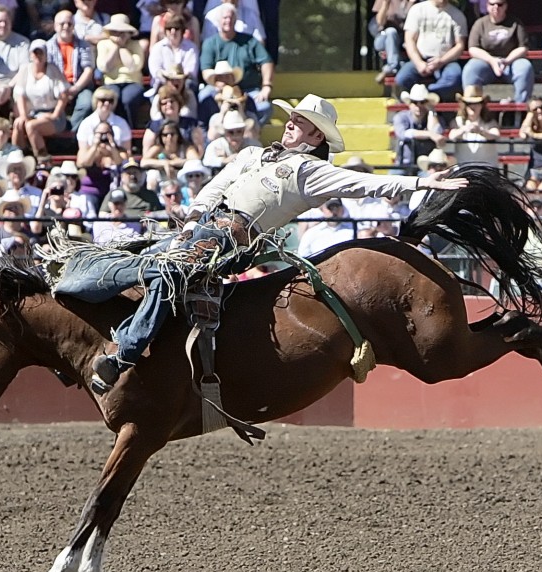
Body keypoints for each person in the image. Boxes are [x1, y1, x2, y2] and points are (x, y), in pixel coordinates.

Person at [75, 94, 467, 392]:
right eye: (293, 117)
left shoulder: (310, 171)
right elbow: (215, 189)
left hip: (230, 240)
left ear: (316, 136)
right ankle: (72, 292)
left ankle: (124, 354)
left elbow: (365, 183)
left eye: (301, 121)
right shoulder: (251, 154)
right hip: (198, 229)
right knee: (125, 262)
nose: (291, 123)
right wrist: (192, 220)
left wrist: (420, 181)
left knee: (169, 272)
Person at [198, 4, 275, 125]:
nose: (228, 21)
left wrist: (266, 86)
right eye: (225, 18)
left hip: (248, 90)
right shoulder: (210, 43)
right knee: (203, 97)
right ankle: (214, 135)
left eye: (231, 17)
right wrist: (216, 82)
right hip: (218, 89)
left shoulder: (250, 41)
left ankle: (248, 134)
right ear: (218, 20)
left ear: (236, 19)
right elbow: (205, 70)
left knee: (264, 107)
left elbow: (266, 62)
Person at [461, 0, 533, 105]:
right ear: (487, 6)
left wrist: (507, 61)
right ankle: (472, 107)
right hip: (486, 63)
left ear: (506, 6)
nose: (496, 7)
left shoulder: (515, 23)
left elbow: (523, 47)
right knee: (471, 68)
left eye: (500, 4)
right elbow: (473, 48)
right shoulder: (480, 23)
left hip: (510, 62)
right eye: (492, 4)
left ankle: (521, 109)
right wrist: (491, 60)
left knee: (525, 67)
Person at [394, 0, 467, 103]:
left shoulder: (457, 15)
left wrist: (441, 61)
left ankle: (426, 95)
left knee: (454, 76)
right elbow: (409, 40)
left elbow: (459, 45)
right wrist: (418, 62)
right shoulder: (417, 10)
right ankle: (426, 98)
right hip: (420, 58)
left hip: (445, 61)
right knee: (402, 79)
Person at [12, 39, 69, 161]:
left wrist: (54, 115)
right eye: (35, 53)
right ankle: (19, 156)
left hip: (53, 114)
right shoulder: (25, 71)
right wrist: (23, 115)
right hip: (33, 113)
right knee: (18, 124)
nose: (38, 56)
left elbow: (64, 96)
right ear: (31, 55)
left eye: (41, 53)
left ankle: (42, 158)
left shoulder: (53, 70)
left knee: (32, 126)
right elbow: (20, 95)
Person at [45, 10, 95, 132]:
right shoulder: (48, 46)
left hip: (80, 85)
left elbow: (88, 69)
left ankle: (72, 133)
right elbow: (47, 71)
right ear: (55, 26)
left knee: (86, 103)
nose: (66, 27)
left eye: (69, 24)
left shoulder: (84, 45)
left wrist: (75, 88)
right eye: (62, 24)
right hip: (57, 86)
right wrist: (62, 88)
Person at [95, 15, 146, 128]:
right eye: (115, 32)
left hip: (133, 81)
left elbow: (133, 66)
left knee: (128, 99)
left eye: (122, 32)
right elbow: (105, 67)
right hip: (110, 82)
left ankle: (130, 131)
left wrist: (123, 48)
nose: (118, 35)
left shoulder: (136, 45)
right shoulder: (103, 45)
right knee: (113, 97)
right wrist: (115, 48)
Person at [393, 83, 446, 169]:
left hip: (428, 166)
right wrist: (429, 134)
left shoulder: (435, 118)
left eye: (422, 102)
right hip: (404, 164)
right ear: (409, 104)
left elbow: (437, 133)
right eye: (414, 102)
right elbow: (403, 134)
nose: (419, 106)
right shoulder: (400, 117)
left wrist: (432, 112)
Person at [447, 86, 500, 167]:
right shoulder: (457, 122)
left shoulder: (490, 122)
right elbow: (452, 136)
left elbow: (496, 135)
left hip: (487, 170)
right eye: (469, 103)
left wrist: (481, 131)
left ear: (482, 105)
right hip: (464, 169)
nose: (472, 106)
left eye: (476, 103)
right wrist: (464, 129)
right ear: (464, 105)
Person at [370, 0, 417, 84]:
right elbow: (379, 23)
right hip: (383, 38)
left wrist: (412, 4)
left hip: (401, 39)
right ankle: (391, 67)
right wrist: (385, 4)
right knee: (391, 31)